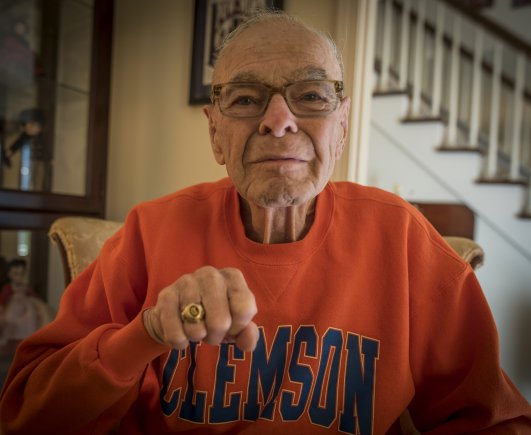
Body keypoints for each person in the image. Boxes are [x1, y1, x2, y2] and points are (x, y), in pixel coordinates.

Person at [0, 10, 530, 435]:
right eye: (247, 98)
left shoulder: (403, 238)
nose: (278, 120)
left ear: (341, 130)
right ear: (215, 133)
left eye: (312, 95)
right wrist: (147, 334)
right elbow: (26, 413)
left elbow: (494, 420)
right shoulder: (149, 232)